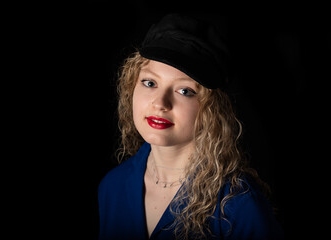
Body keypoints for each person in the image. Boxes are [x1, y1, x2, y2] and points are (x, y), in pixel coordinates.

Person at [98, 13, 284, 240]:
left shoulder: (238, 207)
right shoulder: (113, 187)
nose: (160, 103)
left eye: (185, 91)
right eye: (150, 83)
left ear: (211, 110)